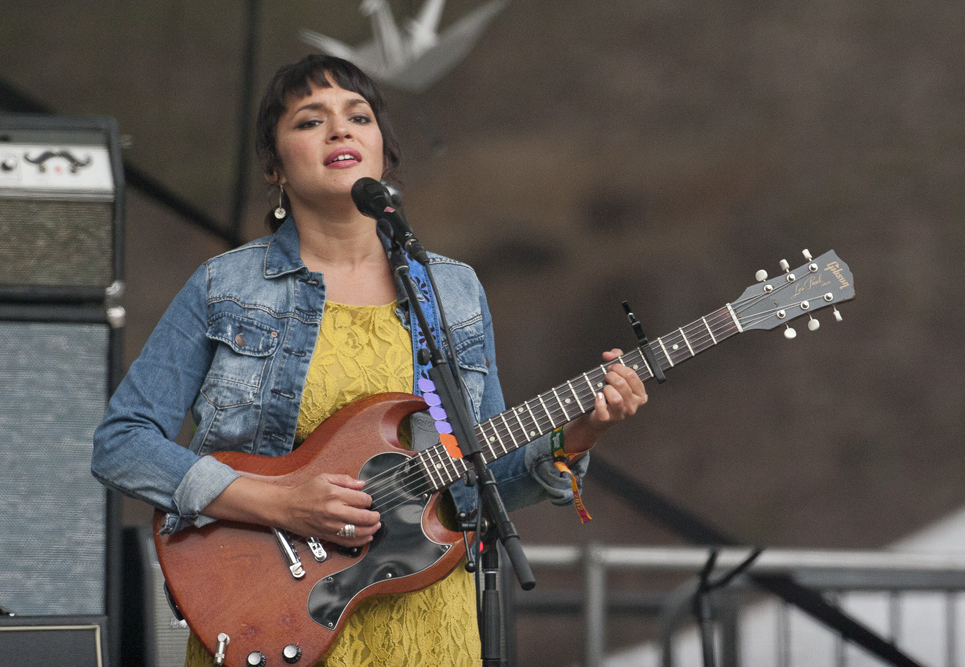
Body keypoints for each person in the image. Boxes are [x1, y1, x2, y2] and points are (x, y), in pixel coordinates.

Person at [92, 54, 647, 666]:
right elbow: (123, 443)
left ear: (383, 152)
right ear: (274, 167)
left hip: (429, 628)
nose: (340, 130)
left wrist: (582, 431)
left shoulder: (452, 292)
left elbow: (480, 485)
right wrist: (280, 501)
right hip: (274, 613)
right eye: (310, 120)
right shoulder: (225, 287)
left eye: (359, 116)